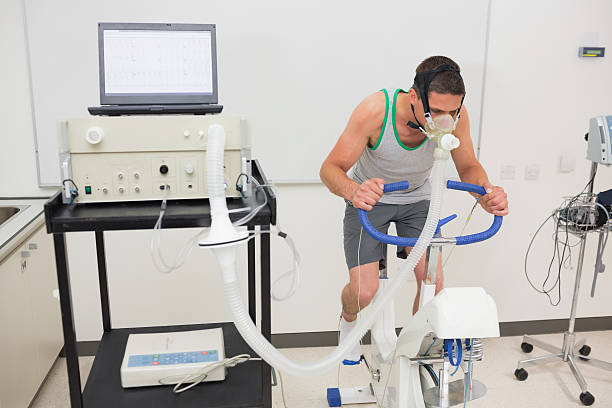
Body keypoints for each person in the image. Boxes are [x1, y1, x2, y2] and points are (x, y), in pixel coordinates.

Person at [319, 56, 509, 363]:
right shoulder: (375, 111)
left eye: (452, 111)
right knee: (363, 292)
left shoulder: (457, 117)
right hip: (371, 198)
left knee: (433, 283)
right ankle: (349, 319)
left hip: (419, 202)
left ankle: (412, 352)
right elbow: (330, 169)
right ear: (413, 97)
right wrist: (355, 191)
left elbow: (469, 166)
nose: (444, 121)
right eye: (435, 111)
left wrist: (485, 193)